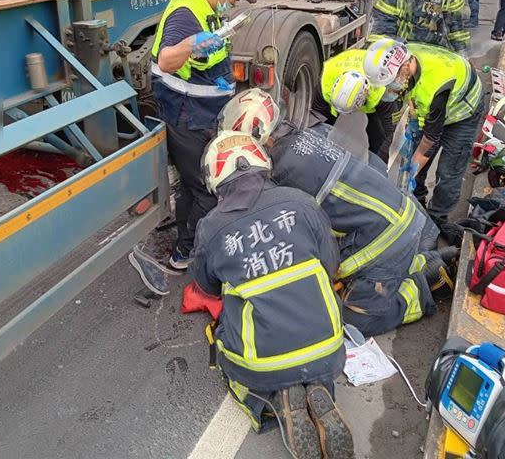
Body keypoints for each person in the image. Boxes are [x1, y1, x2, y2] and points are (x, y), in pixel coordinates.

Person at [218, 89, 457, 338]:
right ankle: (413, 263)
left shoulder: (282, 171)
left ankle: (423, 288)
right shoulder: (308, 134)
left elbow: (296, 233)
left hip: (385, 236)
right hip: (395, 214)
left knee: (353, 321)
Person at [192, 132, 353, 459]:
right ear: (262, 165)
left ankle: (274, 401)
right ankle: (317, 384)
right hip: (329, 347)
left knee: (223, 337)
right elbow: (331, 264)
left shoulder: (211, 228)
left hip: (265, 363)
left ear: (216, 180)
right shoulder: (302, 201)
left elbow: (207, 287)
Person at [146, 0, 269, 271]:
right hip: (185, 113)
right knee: (203, 185)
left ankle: (189, 235)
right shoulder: (187, 12)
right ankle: (187, 252)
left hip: (203, 104)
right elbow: (168, 60)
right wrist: (192, 46)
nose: (232, 1)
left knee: (192, 183)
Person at [401, 43, 485, 240]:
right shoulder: (406, 53)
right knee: (415, 152)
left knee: (449, 170)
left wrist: (409, 174)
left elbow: (429, 142)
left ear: (406, 66)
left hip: (464, 113)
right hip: (439, 105)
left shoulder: (432, 88)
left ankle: (437, 218)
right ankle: (417, 198)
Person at [316, 37, 410, 161]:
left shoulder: (381, 92)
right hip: (344, 64)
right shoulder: (324, 82)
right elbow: (316, 120)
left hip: (374, 89)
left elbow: (393, 133)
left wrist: (378, 167)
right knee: (326, 128)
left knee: (378, 134)